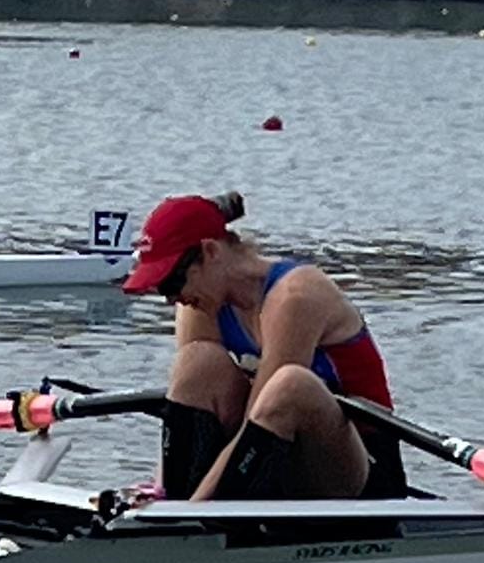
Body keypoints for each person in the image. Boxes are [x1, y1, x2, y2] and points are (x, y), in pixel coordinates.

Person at [121, 192, 407, 501]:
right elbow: (183, 414)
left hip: (361, 467)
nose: (171, 298)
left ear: (210, 251)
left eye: (172, 283)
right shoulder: (200, 304)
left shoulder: (295, 296)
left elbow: (255, 419)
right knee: (196, 362)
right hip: (268, 457)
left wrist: (192, 511)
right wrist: (161, 493)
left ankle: (200, 518)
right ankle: (174, 502)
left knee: (290, 385)